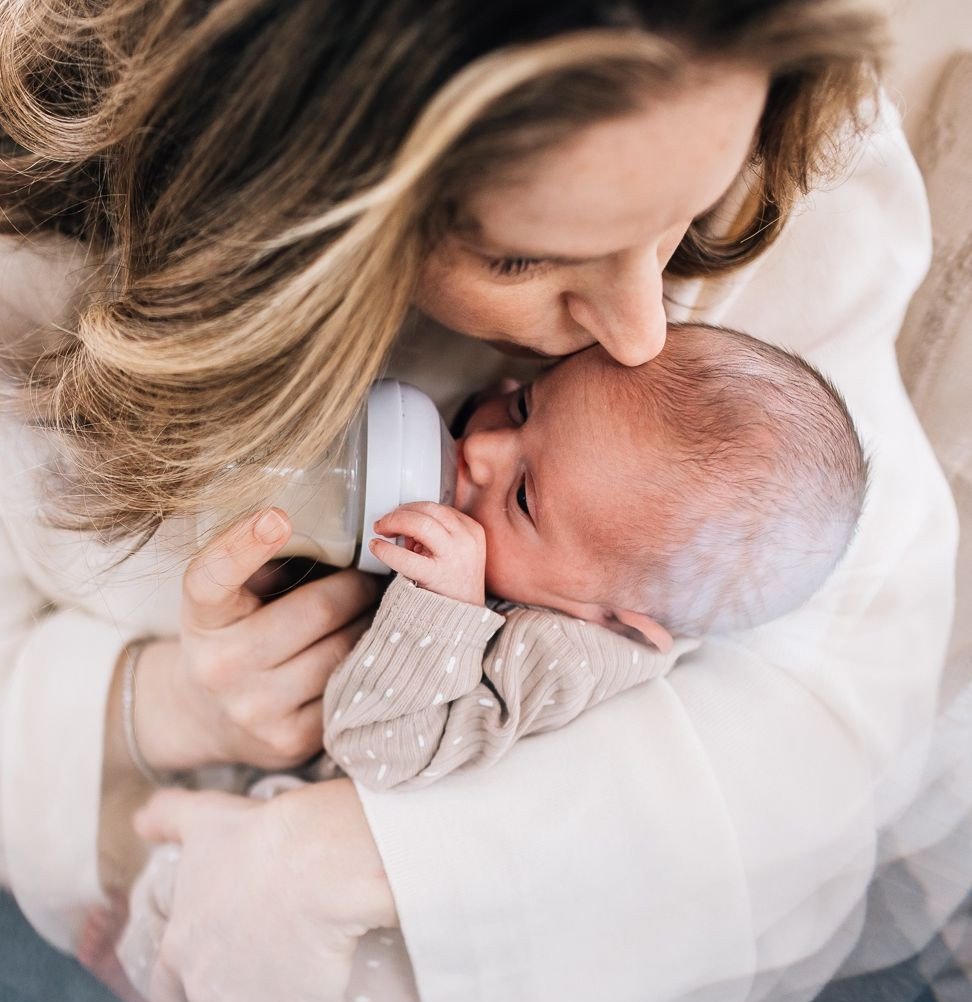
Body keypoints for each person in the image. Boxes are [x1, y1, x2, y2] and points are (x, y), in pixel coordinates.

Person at [0, 0, 958, 1002]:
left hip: (629, 949)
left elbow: (840, 698)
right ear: (289, 210)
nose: (642, 327)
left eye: (686, 215)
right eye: (524, 255)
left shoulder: (754, 117)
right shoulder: (42, 260)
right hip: (114, 854)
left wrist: (355, 858)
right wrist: (165, 706)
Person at [325, 325, 868, 791]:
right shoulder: (576, 535)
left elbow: (377, 754)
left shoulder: (559, 655)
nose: (480, 448)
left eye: (522, 498)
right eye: (523, 407)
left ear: (613, 620)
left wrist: (443, 614)